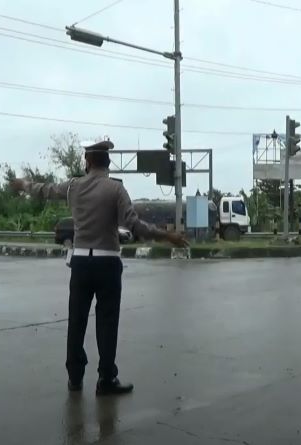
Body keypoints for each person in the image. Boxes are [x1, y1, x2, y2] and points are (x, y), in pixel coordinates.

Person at [11, 140, 188, 395]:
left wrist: (25, 185)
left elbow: (46, 190)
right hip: (107, 263)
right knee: (107, 322)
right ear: (107, 163)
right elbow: (135, 225)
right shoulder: (115, 189)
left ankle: (74, 377)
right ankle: (106, 379)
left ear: (88, 162)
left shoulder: (73, 186)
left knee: (77, 320)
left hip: (80, 263)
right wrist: (167, 236)